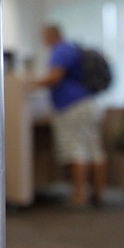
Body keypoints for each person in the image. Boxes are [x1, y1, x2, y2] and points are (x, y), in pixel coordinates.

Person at [36, 24, 106, 207]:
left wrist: (30, 83)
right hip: (89, 103)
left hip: (71, 106)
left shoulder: (59, 50)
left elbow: (54, 78)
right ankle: (98, 194)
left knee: (76, 150)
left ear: (50, 35)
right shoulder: (74, 49)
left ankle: (78, 195)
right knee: (94, 150)